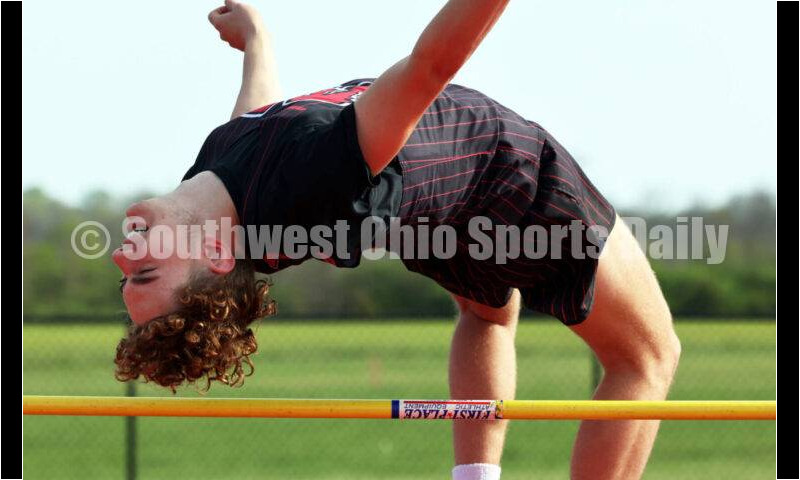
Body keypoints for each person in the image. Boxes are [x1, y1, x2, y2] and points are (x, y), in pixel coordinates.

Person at [111, 1, 681, 479]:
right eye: (145, 273)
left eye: (127, 276)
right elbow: (429, 67)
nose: (120, 254)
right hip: (503, 170)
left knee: (487, 316)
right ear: (214, 254)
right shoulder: (314, 182)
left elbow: (257, 118)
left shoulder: (213, 191)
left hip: (438, 212)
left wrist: (258, 42)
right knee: (645, 357)